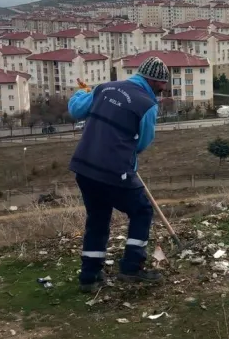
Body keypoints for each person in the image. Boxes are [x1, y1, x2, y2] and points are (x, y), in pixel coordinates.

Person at [67, 57, 170, 292]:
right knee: (141, 211)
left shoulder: (104, 88)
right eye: (162, 84)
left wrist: (82, 93)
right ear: (154, 81)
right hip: (114, 171)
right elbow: (143, 142)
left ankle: (89, 277)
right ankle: (132, 267)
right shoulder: (147, 105)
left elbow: (76, 109)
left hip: (84, 167)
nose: (163, 89)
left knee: (98, 218)